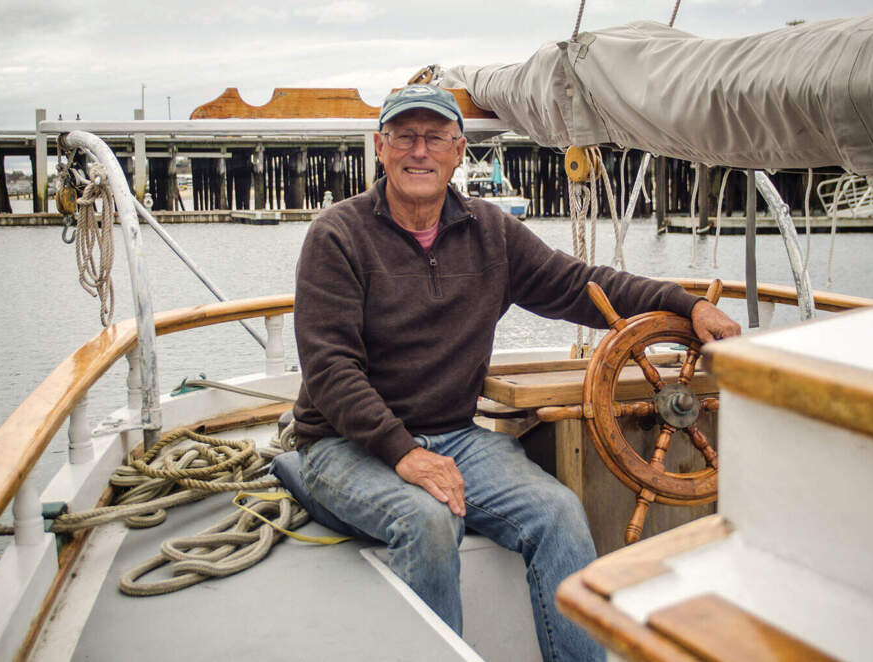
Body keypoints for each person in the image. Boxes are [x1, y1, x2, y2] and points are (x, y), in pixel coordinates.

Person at [291, 84, 740, 662]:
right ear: (381, 147)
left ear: (458, 153)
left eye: (435, 138)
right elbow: (330, 371)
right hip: (345, 443)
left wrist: (686, 304)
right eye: (404, 137)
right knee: (427, 524)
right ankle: (299, 472)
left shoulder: (491, 232)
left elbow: (583, 286)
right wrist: (403, 452)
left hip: (454, 436)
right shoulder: (338, 234)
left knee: (557, 513)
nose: (419, 151)